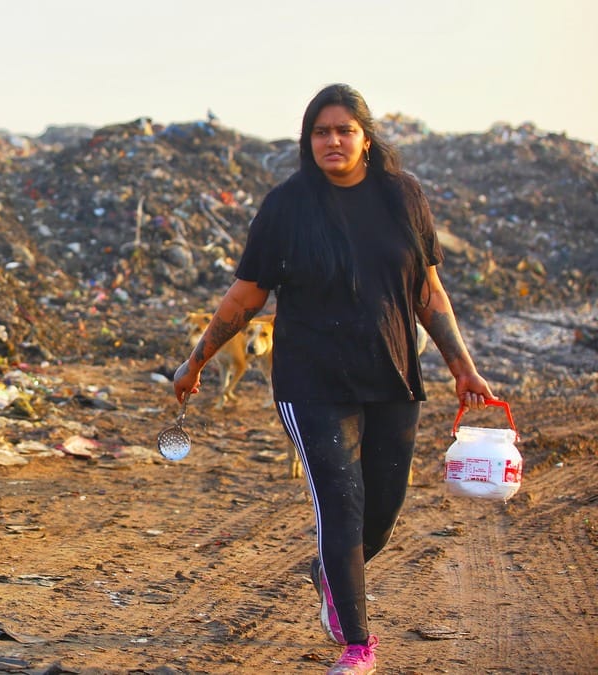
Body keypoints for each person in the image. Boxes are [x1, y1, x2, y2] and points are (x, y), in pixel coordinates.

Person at [172, 84, 494, 675]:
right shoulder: (287, 206)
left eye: (344, 129)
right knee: (340, 506)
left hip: (392, 377)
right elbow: (245, 298)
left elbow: (427, 292)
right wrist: (196, 362)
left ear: (365, 137)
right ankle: (356, 644)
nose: (332, 141)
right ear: (308, 140)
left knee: (382, 511)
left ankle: (328, 572)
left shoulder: (402, 197)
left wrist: (462, 366)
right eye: (321, 131)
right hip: (311, 384)